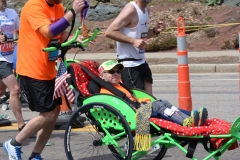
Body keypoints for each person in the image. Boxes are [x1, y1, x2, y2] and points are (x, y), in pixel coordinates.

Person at [3, 0, 86, 159]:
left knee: (53, 114)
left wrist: (74, 38)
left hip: (48, 68)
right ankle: (14, 144)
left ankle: (35, 155)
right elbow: (48, 31)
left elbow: (58, 35)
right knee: (48, 114)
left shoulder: (58, 6)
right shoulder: (34, 6)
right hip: (32, 69)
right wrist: (73, 12)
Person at [97, 60, 208, 127]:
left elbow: (131, 97)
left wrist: (141, 101)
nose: (116, 74)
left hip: (136, 108)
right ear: (102, 76)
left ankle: (190, 118)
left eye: (118, 71)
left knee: (164, 102)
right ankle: (185, 122)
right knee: (158, 105)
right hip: (130, 115)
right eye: (111, 71)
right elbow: (118, 106)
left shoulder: (120, 85)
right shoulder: (105, 91)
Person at [105, 0, 166, 95]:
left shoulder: (146, 10)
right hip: (129, 65)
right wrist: (133, 41)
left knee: (149, 100)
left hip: (141, 61)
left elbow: (141, 36)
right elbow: (109, 32)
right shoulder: (131, 9)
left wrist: (155, 30)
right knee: (137, 103)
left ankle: (150, 109)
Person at [0, 0, 25, 130]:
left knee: (0, 91)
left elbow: (21, 32)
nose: (3, 1)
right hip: (0, 59)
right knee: (15, 89)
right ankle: (22, 125)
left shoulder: (12, 13)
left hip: (10, 57)